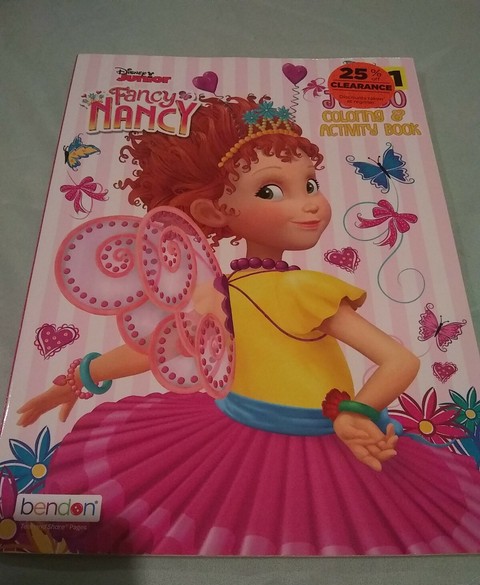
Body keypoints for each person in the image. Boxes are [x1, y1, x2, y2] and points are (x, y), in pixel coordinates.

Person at [16, 96, 480, 555]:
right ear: (213, 213)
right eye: (271, 191)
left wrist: (356, 414)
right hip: (232, 434)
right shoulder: (227, 289)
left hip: (314, 440)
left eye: (310, 185)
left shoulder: (292, 288)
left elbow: (400, 361)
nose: (311, 205)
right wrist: (81, 377)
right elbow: (164, 346)